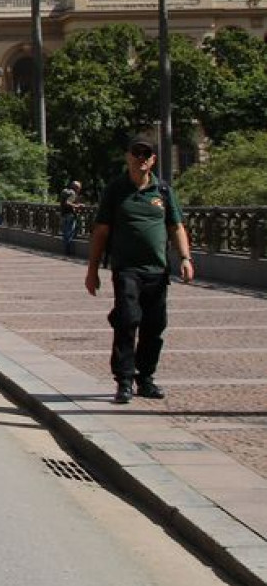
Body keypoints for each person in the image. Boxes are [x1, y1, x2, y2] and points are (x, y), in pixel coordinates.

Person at [85, 138, 194, 405]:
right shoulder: (115, 190)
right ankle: (123, 381)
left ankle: (145, 378)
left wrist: (185, 258)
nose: (141, 158)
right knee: (127, 320)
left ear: (153, 160)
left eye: (147, 154)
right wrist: (92, 270)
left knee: (154, 326)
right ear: (128, 157)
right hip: (126, 269)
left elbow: (176, 226)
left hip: (157, 271)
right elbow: (101, 231)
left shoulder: (163, 191)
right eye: (136, 153)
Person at [60, 179, 86, 257]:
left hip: (63, 215)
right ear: (76, 188)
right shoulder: (72, 193)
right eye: (79, 188)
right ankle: (68, 252)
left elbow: (64, 203)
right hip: (70, 215)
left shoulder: (65, 191)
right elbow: (68, 203)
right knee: (69, 233)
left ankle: (66, 251)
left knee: (65, 233)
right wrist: (78, 206)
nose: (79, 190)